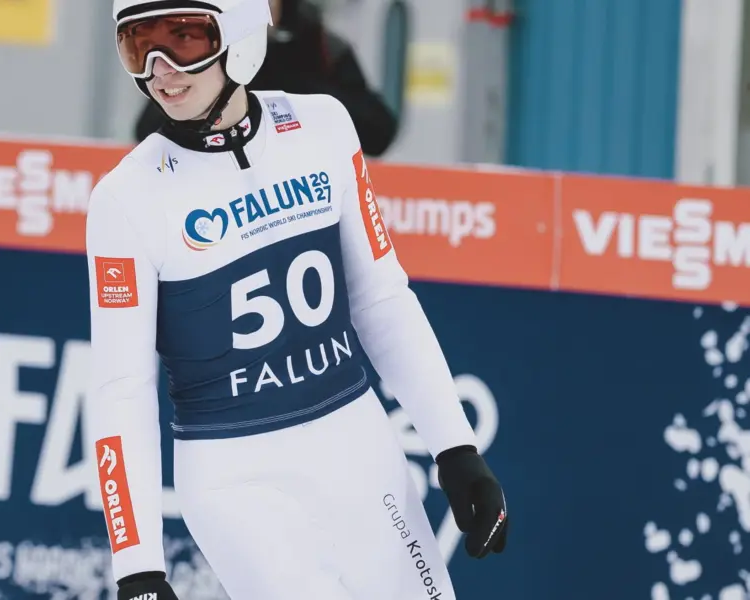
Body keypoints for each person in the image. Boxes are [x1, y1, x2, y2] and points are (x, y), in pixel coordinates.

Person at [86, 1, 509, 598]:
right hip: (233, 476)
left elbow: (382, 300)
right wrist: (137, 566)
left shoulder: (323, 127)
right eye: (138, 44)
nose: (160, 69)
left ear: (238, 33)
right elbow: (121, 389)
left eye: (183, 38)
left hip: (357, 444)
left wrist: (456, 447)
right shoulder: (125, 199)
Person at [129, 0, 400, 156]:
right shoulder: (209, 50)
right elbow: (147, 130)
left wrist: (299, 85)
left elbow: (378, 132)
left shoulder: (322, 48)